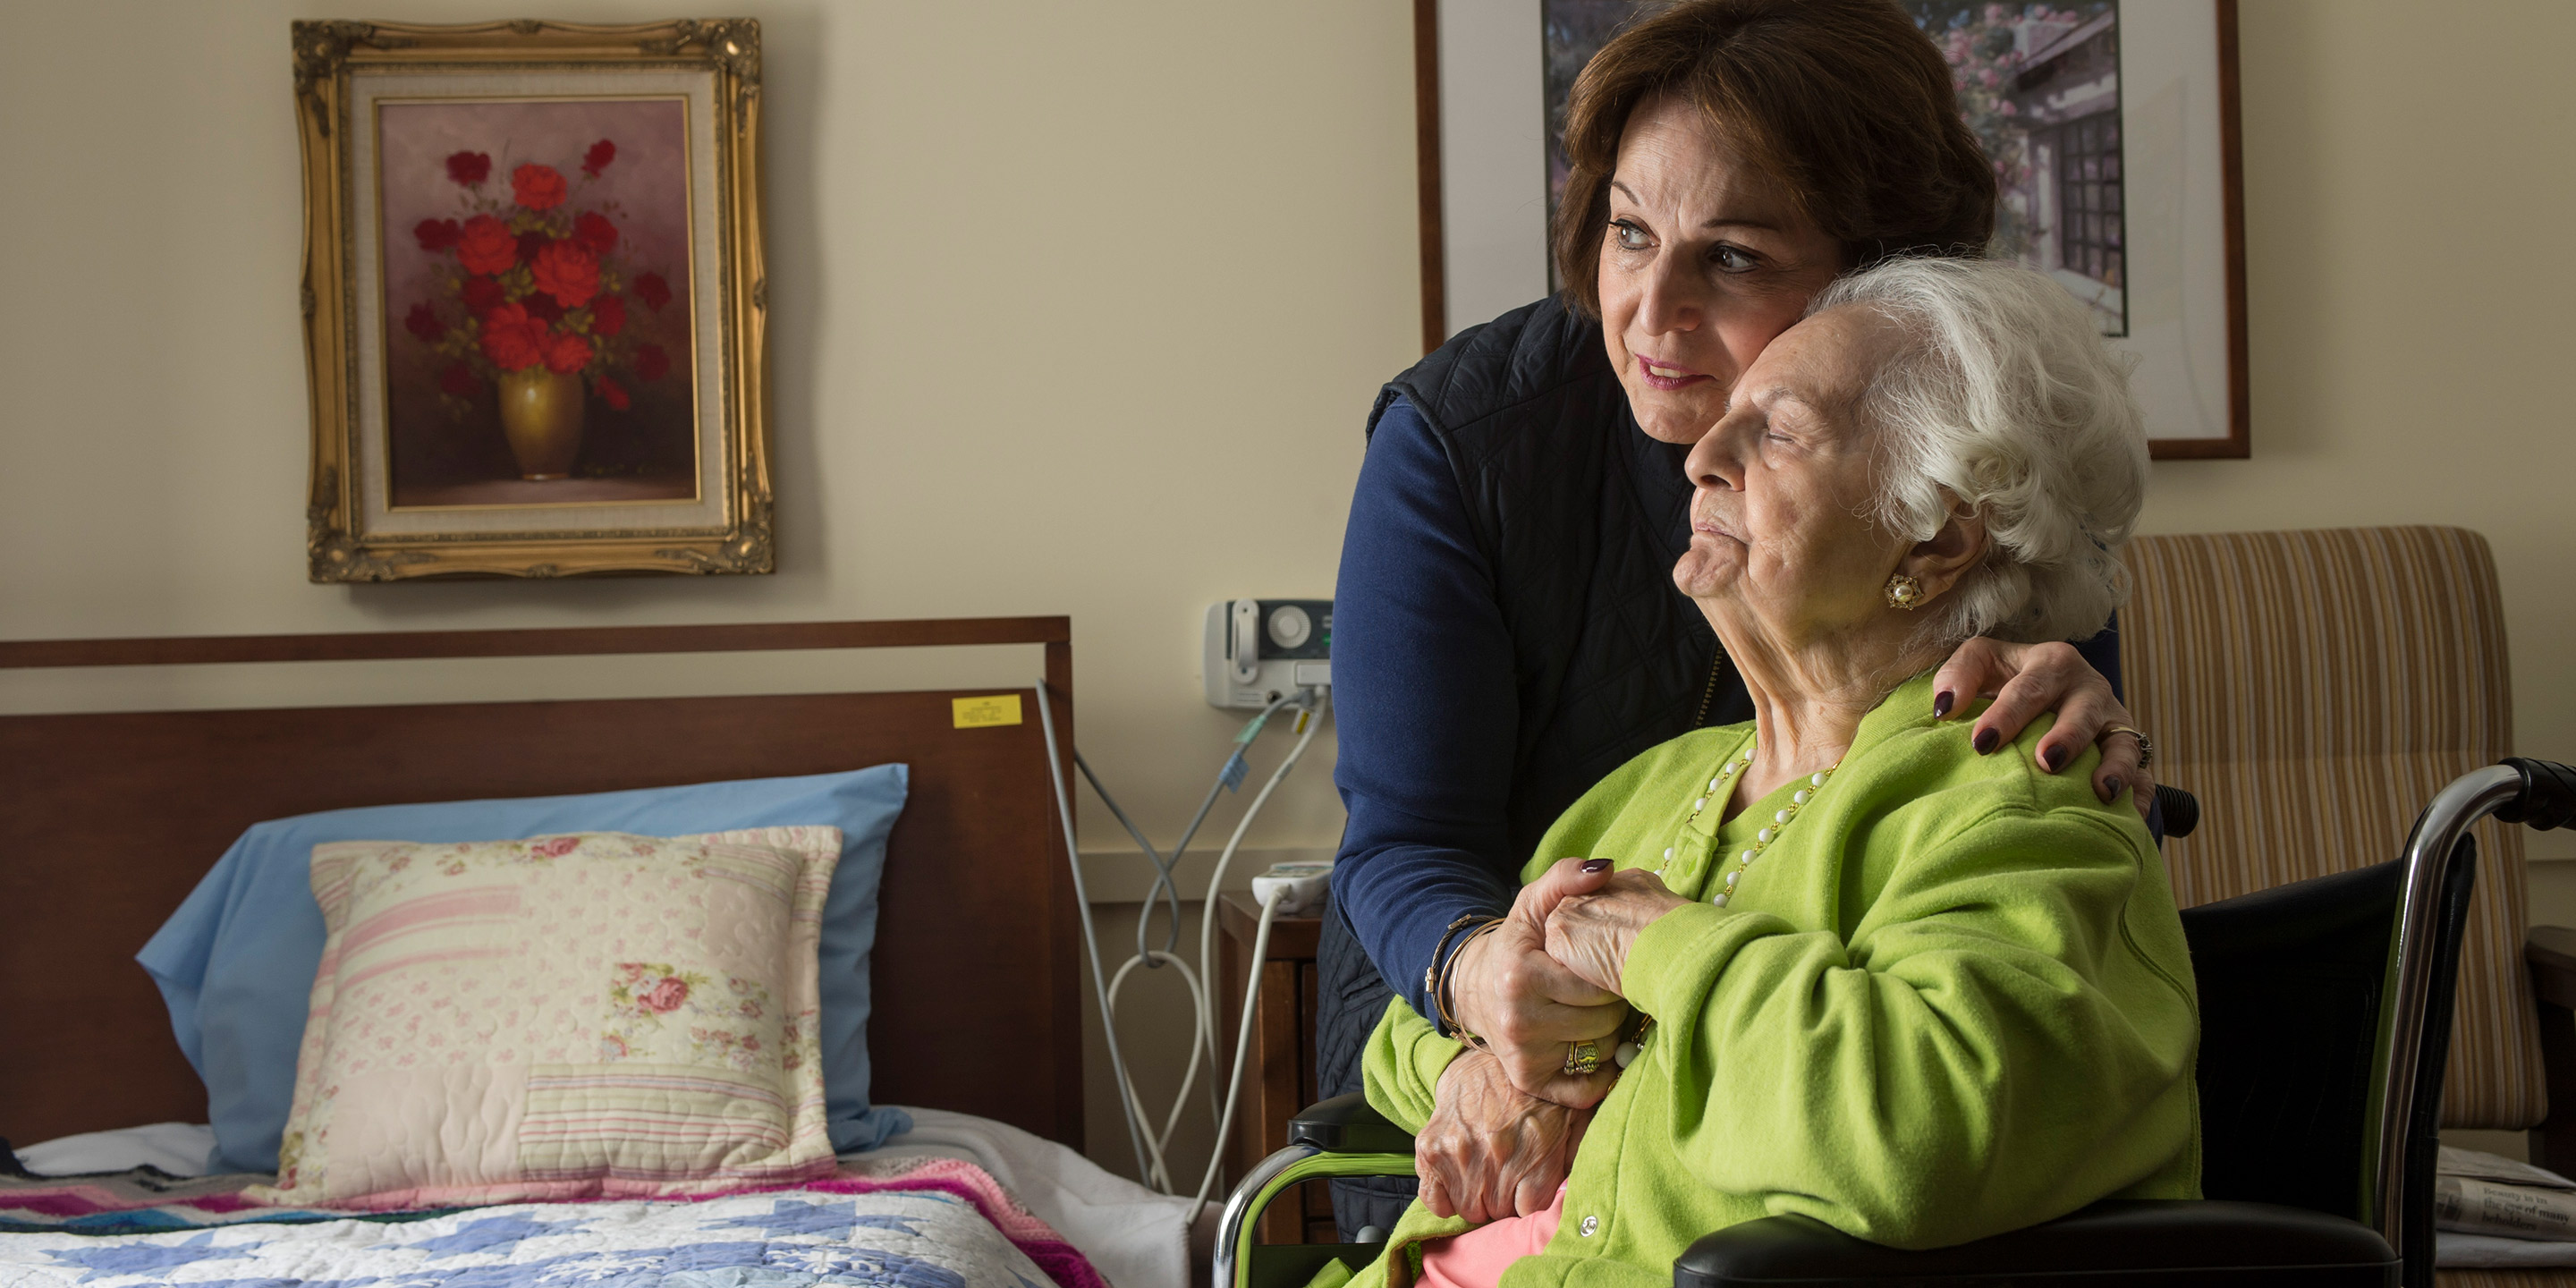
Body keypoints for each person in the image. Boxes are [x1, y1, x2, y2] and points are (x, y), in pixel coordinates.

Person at [1323, 0, 2161, 1235]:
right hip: (1466, 1016)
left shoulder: (1971, 495)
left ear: (1883, 283)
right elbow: (1403, 844)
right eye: (1627, 233)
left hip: (1779, 1113)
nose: (1650, 315)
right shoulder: (1465, 445)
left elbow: (2026, 835)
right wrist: (1488, 1018)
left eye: (1732, 257)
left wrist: (2085, 702)